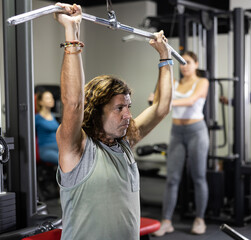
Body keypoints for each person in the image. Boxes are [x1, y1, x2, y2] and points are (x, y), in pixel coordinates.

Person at [54, 3, 173, 240]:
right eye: (119, 108)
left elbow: (161, 108)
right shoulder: (77, 149)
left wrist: (165, 56)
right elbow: (74, 103)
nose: (127, 115)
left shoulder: (125, 143)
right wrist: (71, 32)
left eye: (128, 107)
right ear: (96, 111)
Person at [153, 51, 209, 237]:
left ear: (196, 64)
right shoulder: (174, 82)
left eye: (188, 62)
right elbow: (156, 96)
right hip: (177, 132)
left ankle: (200, 219)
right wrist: (157, 97)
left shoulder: (202, 82)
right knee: (172, 178)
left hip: (197, 132)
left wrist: (165, 102)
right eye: (182, 63)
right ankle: (166, 221)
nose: (185, 66)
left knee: (198, 176)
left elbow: (191, 100)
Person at [35, 90, 60, 164]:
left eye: (52, 98)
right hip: (46, 150)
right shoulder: (36, 118)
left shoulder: (52, 115)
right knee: (64, 163)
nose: (51, 100)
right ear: (40, 102)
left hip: (58, 148)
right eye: (48, 98)